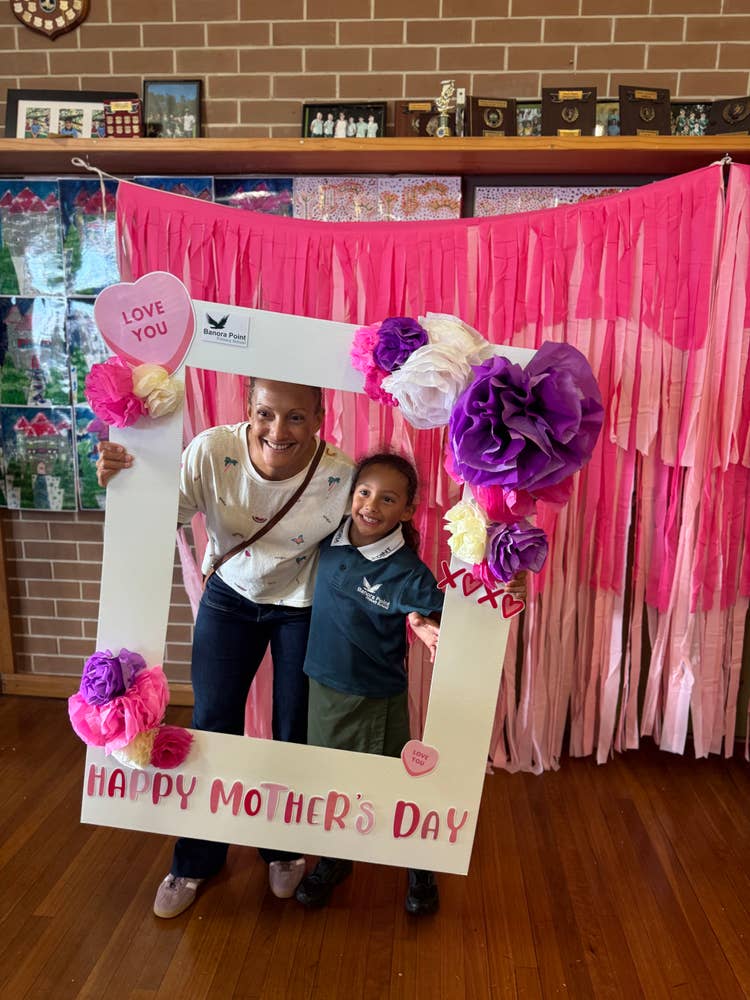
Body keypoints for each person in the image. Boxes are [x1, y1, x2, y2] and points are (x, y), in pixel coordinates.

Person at [96, 379, 355, 918]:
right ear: (249, 410)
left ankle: (282, 848)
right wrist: (122, 481)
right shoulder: (214, 451)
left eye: (296, 418)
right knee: (213, 722)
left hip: (302, 606)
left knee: (293, 727)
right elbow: (157, 511)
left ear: (320, 414)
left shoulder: (341, 474)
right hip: (230, 596)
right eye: (265, 414)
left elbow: (375, 543)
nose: (278, 431)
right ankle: (197, 856)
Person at [293, 452, 445, 915]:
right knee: (334, 785)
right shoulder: (329, 537)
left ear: (407, 509)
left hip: (374, 698)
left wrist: (421, 619)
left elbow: (446, 613)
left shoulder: (405, 571)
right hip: (323, 687)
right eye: (364, 492)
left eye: (388, 498)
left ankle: (420, 866)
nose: (371, 505)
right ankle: (335, 860)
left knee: (393, 787)